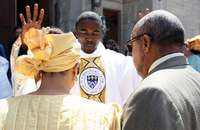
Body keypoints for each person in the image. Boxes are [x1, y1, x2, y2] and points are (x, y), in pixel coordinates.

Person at [0, 4, 121, 130]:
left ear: (39, 69)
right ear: (76, 70)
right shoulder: (103, 117)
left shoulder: (3, 111)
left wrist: (28, 42)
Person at [121, 10, 200, 130]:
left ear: (145, 43)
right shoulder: (196, 78)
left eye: (131, 46)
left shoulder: (150, 93)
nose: (131, 53)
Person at [70, 11, 141, 106]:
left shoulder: (117, 61)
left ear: (102, 34)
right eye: (84, 31)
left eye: (95, 32)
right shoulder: (67, 62)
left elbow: (140, 70)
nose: (89, 37)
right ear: (76, 32)